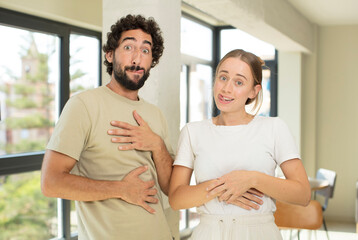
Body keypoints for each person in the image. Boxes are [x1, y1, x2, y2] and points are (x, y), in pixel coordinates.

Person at [41, 14, 175, 240]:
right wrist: (121, 189)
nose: (137, 57)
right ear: (110, 54)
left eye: (145, 50)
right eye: (129, 46)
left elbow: (171, 188)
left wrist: (157, 145)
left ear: (151, 60)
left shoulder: (155, 114)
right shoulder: (83, 105)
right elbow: (51, 183)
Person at [168, 49, 311, 240]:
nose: (226, 89)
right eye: (223, 77)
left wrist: (252, 179)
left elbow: (302, 194)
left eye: (239, 82)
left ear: (254, 91)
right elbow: (176, 199)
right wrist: (223, 187)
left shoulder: (274, 128)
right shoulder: (192, 132)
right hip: (208, 233)